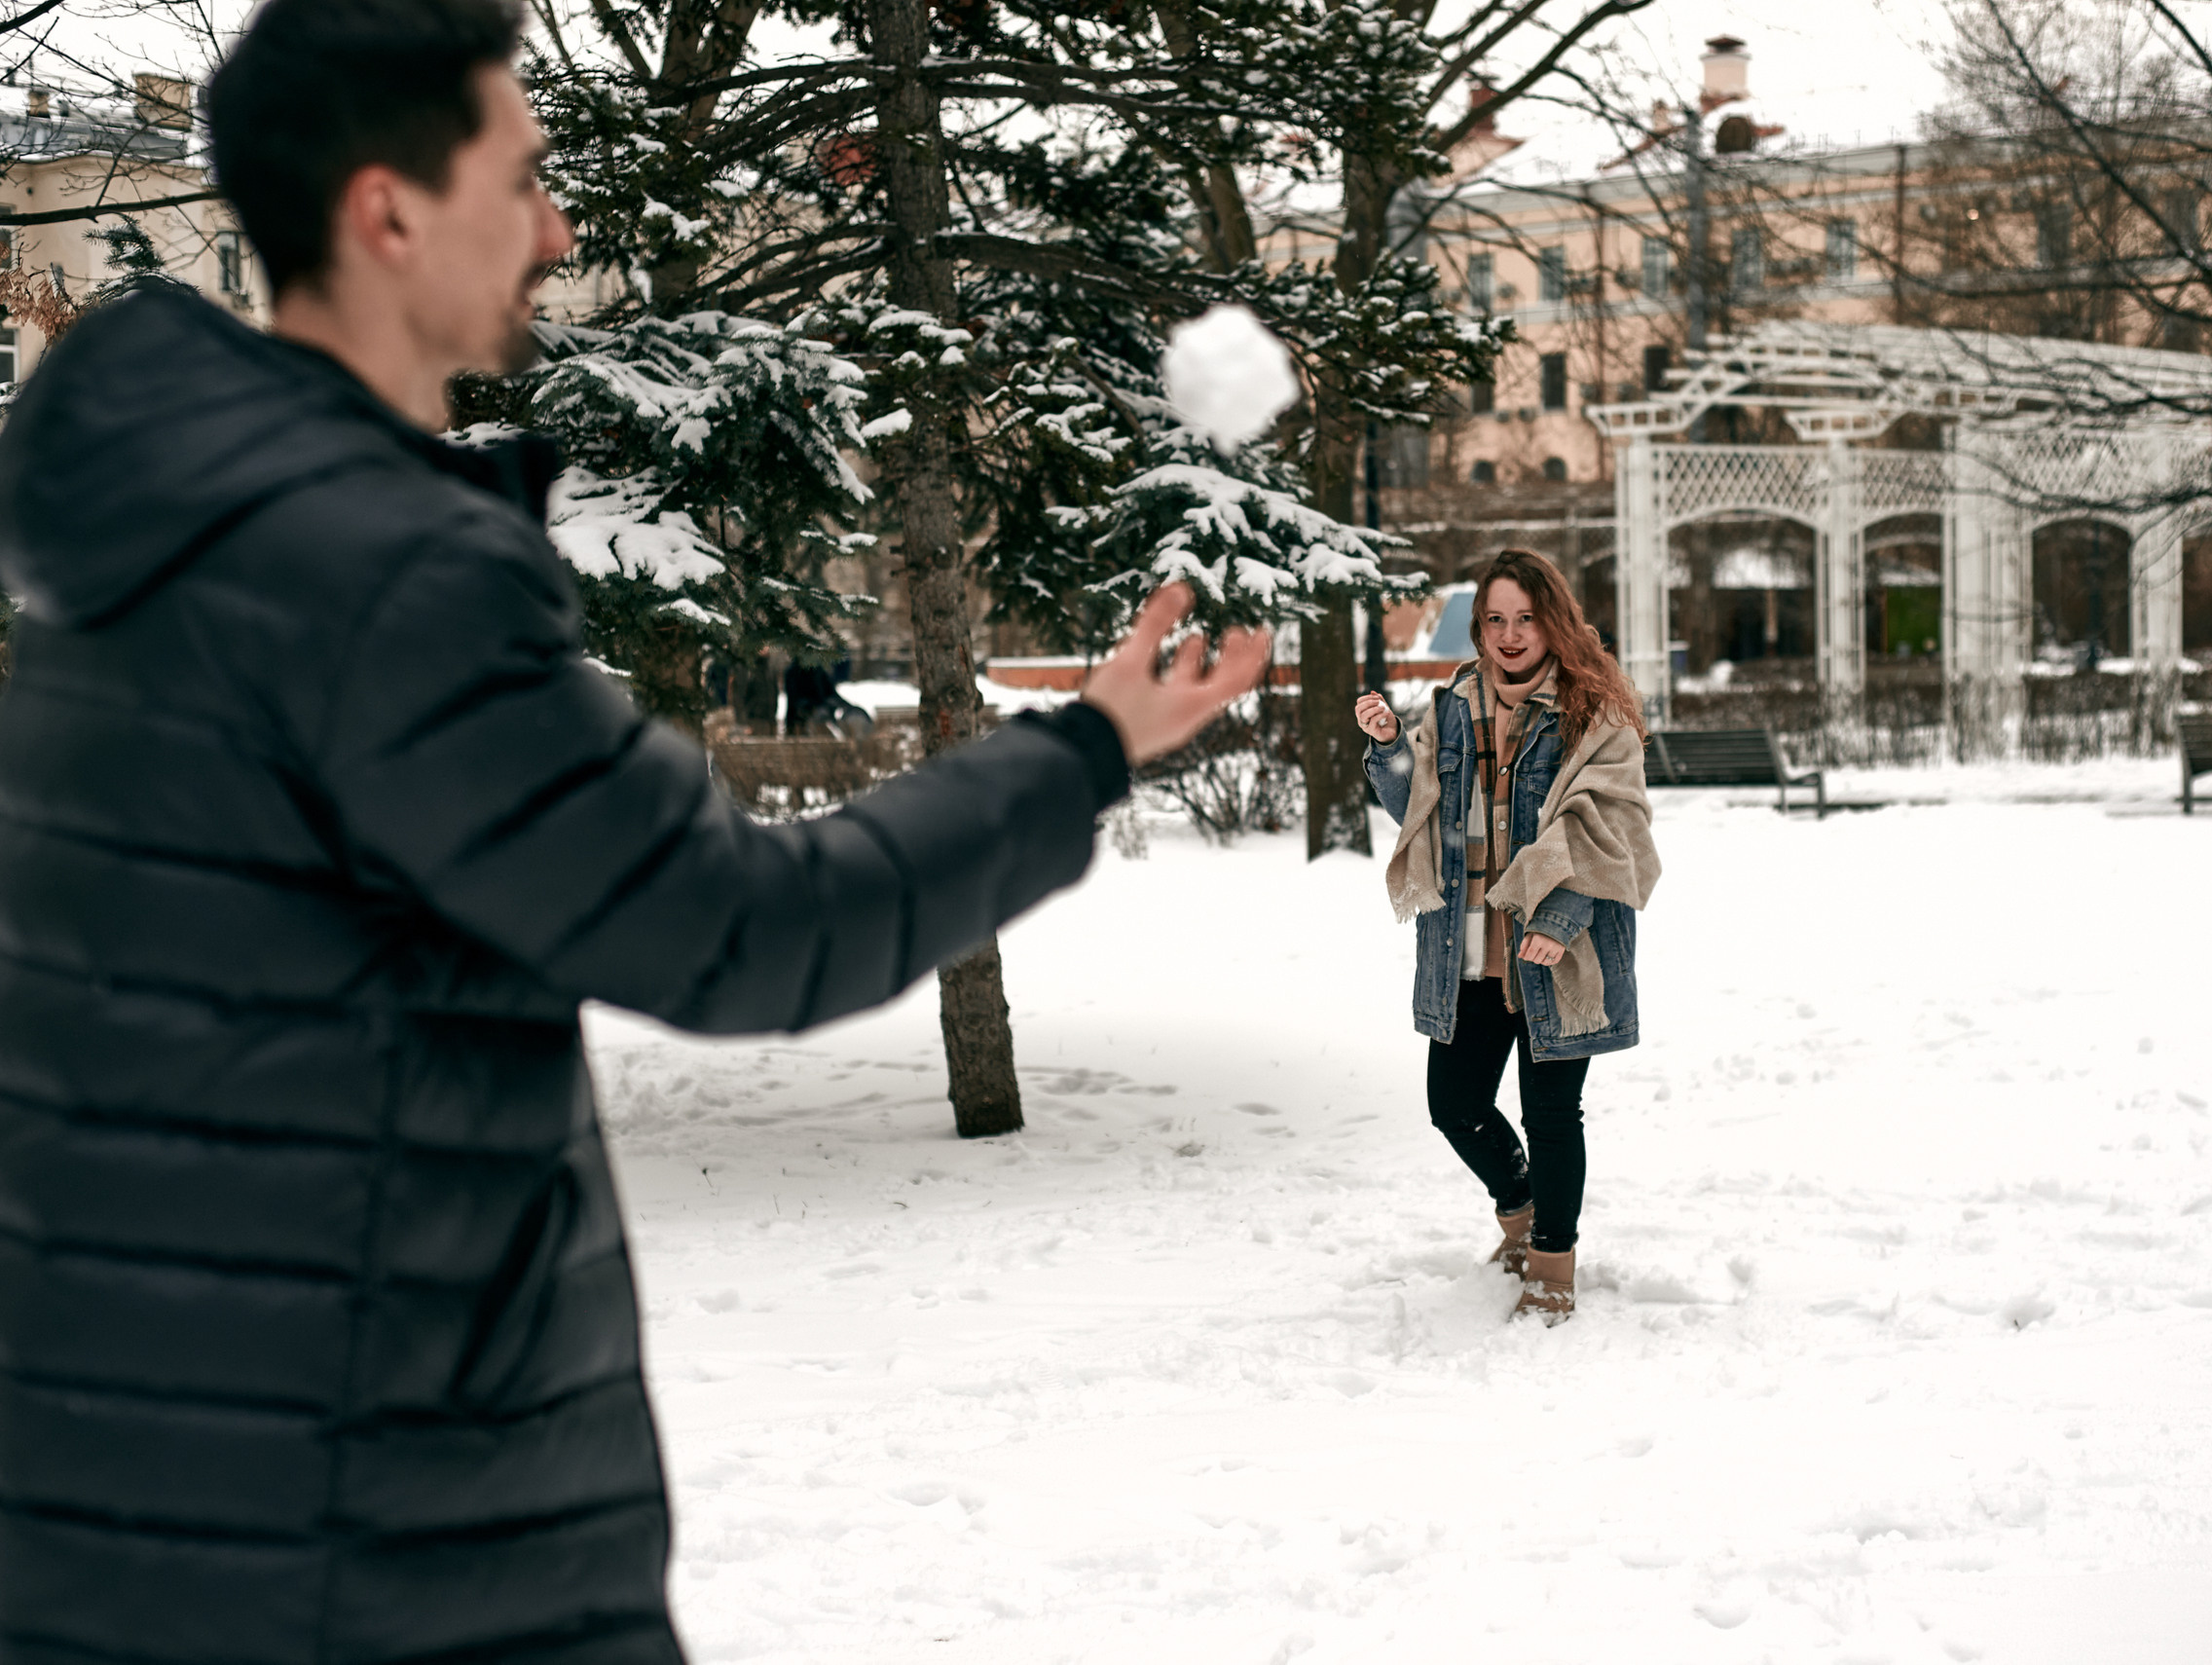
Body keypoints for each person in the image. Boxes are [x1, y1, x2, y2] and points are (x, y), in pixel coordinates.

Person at [0, 3, 1264, 1661]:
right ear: (388, 213)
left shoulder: (160, 545)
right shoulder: (377, 573)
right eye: (522, 180)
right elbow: (746, 927)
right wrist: (1083, 752)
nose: (560, 228)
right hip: (370, 1529)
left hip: (126, 1492)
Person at [1355, 550, 1658, 1325]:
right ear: (1479, 626)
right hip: (1469, 950)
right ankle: (1518, 1211)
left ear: (1552, 619)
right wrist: (1391, 749)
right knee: (1452, 1103)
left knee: (1552, 1114)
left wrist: (1558, 920)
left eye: (1526, 618)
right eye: (1496, 619)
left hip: (1560, 952)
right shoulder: (1454, 705)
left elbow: (1612, 828)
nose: (1511, 635)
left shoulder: (1598, 711)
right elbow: (1418, 809)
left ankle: (1552, 1267)